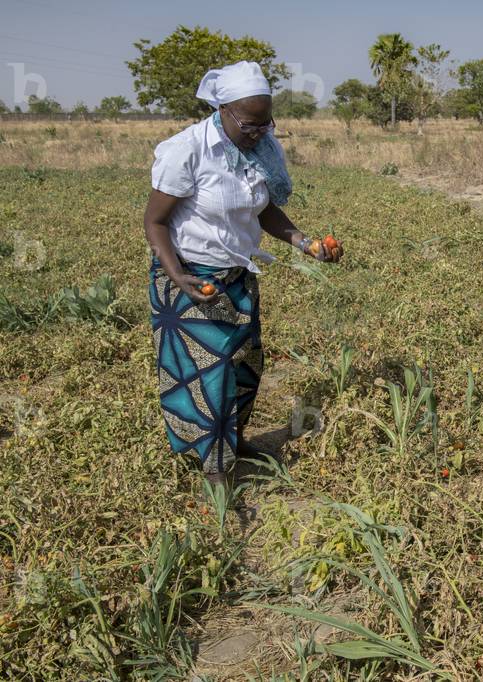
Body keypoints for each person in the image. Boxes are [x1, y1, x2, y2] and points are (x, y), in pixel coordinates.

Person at [143, 61, 342, 486]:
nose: (260, 132)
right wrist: (177, 277)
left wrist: (304, 242)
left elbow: (265, 209)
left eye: (265, 123)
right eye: (250, 124)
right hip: (189, 277)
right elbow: (155, 222)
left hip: (236, 276)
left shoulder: (261, 150)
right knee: (205, 374)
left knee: (245, 364)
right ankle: (214, 464)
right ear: (224, 111)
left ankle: (231, 438)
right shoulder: (188, 150)